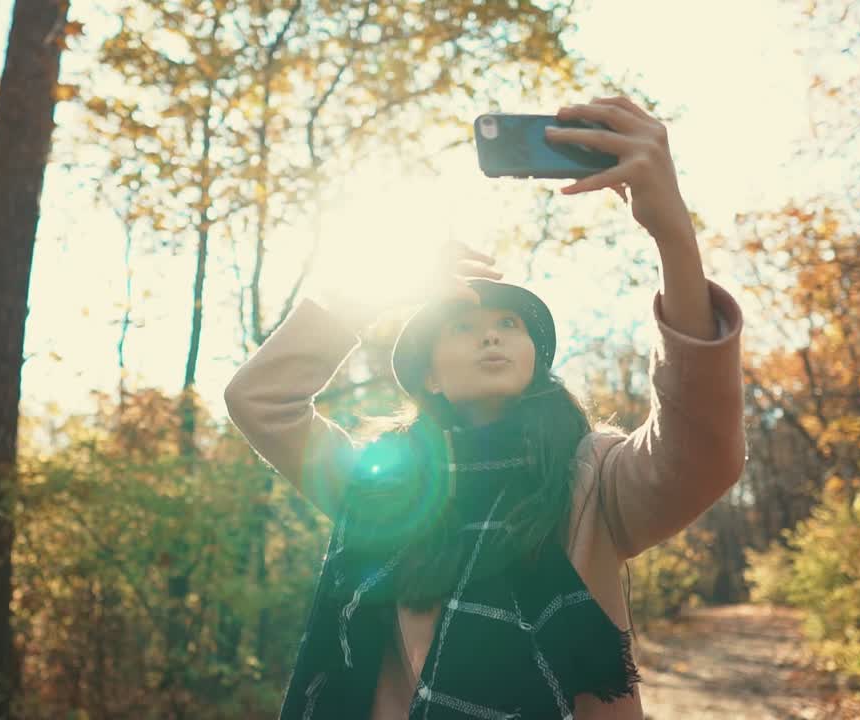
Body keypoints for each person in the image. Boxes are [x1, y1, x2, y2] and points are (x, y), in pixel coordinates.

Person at [224, 97, 746, 720]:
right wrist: (358, 299)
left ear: (534, 363)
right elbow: (260, 401)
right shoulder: (377, 481)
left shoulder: (594, 479)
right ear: (431, 377)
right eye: (464, 326)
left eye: (508, 324)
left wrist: (671, 233)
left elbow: (700, 450)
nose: (492, 334)